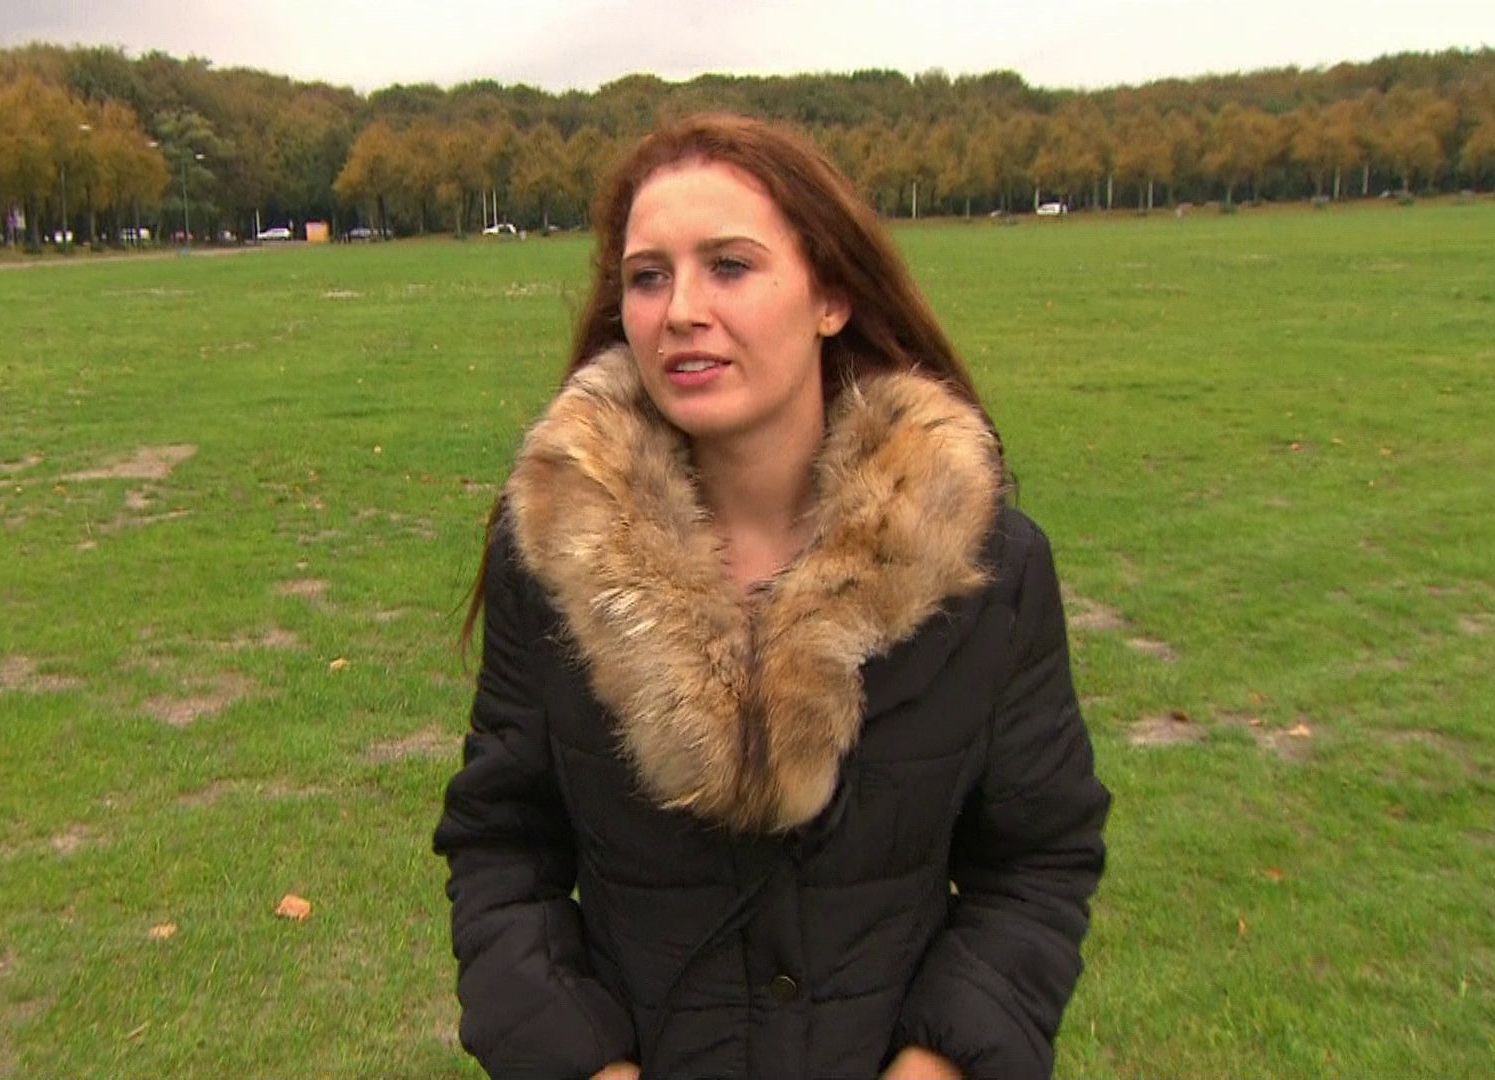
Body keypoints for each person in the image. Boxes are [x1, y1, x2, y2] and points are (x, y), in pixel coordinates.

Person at [434, 113, 1110, 1080]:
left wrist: (936, 1067)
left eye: (730, 266)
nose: (681, 310)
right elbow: (502, 852)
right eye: (648, 276)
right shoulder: (552, 556)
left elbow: (1037, 860)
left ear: (831, 295)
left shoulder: (985, 566)